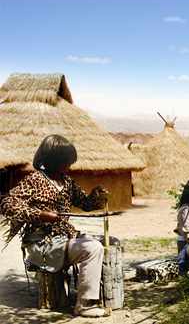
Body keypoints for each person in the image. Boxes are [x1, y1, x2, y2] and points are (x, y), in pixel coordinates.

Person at [0, 135, 114, 318]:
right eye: (66, 160)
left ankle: (107, 295)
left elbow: (84, 203)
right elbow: (8, 204)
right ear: (52, 160)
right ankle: (85, 303)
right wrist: (39, 215)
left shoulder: (67, 181)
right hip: (43, 243)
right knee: (92, 248)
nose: (70, 163)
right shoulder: (35, 180)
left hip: (64, 240)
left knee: (111, 241)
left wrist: (95, 194)